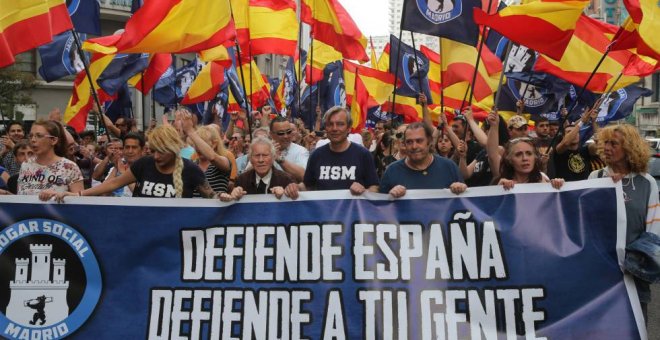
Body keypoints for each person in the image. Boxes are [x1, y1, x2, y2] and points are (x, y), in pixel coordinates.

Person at [588, 124, 659, 321]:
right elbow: (586, 222)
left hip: (633, 271)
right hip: (602, 269)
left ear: (629, 148)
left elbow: (653, 229)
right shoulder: (596, 178)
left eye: (614, 143)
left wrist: (638, 262)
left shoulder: (646, 182)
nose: (607, 148)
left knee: (635, 324)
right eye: (606, 143)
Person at [41, 125, 216, 200]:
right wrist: (78, 196)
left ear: (173, 149)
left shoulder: (191, 170)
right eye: (153, 151)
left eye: (161, 152)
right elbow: (114, 183)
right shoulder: (144, 164)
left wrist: (228, 197)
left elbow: (211, 197)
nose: (155, 157)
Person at [287, 106, 378, 197]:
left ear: (349, 128)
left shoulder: (363, 155)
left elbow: (375, 188)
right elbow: (307, 186)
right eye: (330, 124)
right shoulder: (316, 155)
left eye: (340, 124)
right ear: (326, 128)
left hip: (352, 211)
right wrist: (295, 187)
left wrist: (364, 191)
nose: (334, 128)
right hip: (323, 210)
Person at [379, 122, 466, 198]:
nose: (414, 146)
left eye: (419, 141)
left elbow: (465, 203)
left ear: (430, 141)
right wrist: (390, 196)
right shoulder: (392, 171)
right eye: (409, 142)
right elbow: (381, 209)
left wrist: (460, 189)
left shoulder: (449, 167)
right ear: (404, 144)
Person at [486, 111, 564, 190]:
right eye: (518, 154)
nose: (525, 158)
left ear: (535, 157)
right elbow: (492, 155)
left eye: (529, 153)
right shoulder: (503, 179)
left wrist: (558, 185)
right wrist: (494, 126)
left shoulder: (542, 179)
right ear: (509, 159)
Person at [16, 120, 83, 197]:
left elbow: (80, 202)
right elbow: (19, 197)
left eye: (39, 136)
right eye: (31, 136)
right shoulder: (26, 165)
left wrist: (57, 195)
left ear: (53, 140)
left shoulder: (69, 167)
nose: (33, 140)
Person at [220, 137, 297, 201]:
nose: (261, 160)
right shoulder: (241, 181)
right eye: (257, 155)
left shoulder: (286, 180)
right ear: (250, 159)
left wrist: (285, 196)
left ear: (273, 157)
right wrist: (233, 195)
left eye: (265, 155)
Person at [179, 111, 232, 196]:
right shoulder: (191, 165)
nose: (198, 147)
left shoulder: (225, 161)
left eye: (202, 143)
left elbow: (212, 157)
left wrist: (190, 131)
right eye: (196, 143)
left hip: (216, 208)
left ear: (214, 144)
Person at [103, 132, 144, 197]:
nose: (130, 151)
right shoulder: (116, 168)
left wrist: (123, 173)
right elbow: (103, 193)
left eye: (134, 147)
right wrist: (116, 168)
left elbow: (140, 195)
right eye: (127, 147)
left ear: (142, 150)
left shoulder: (147, 169)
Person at [270, 116, 309, 182]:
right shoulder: (263, 148)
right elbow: (248, 173)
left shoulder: (301, 151)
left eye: (288, 132)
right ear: (271, 134)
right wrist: (266, 155)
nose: (286, 136)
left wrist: (280, 159)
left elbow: (304, 176)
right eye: (281, 133)